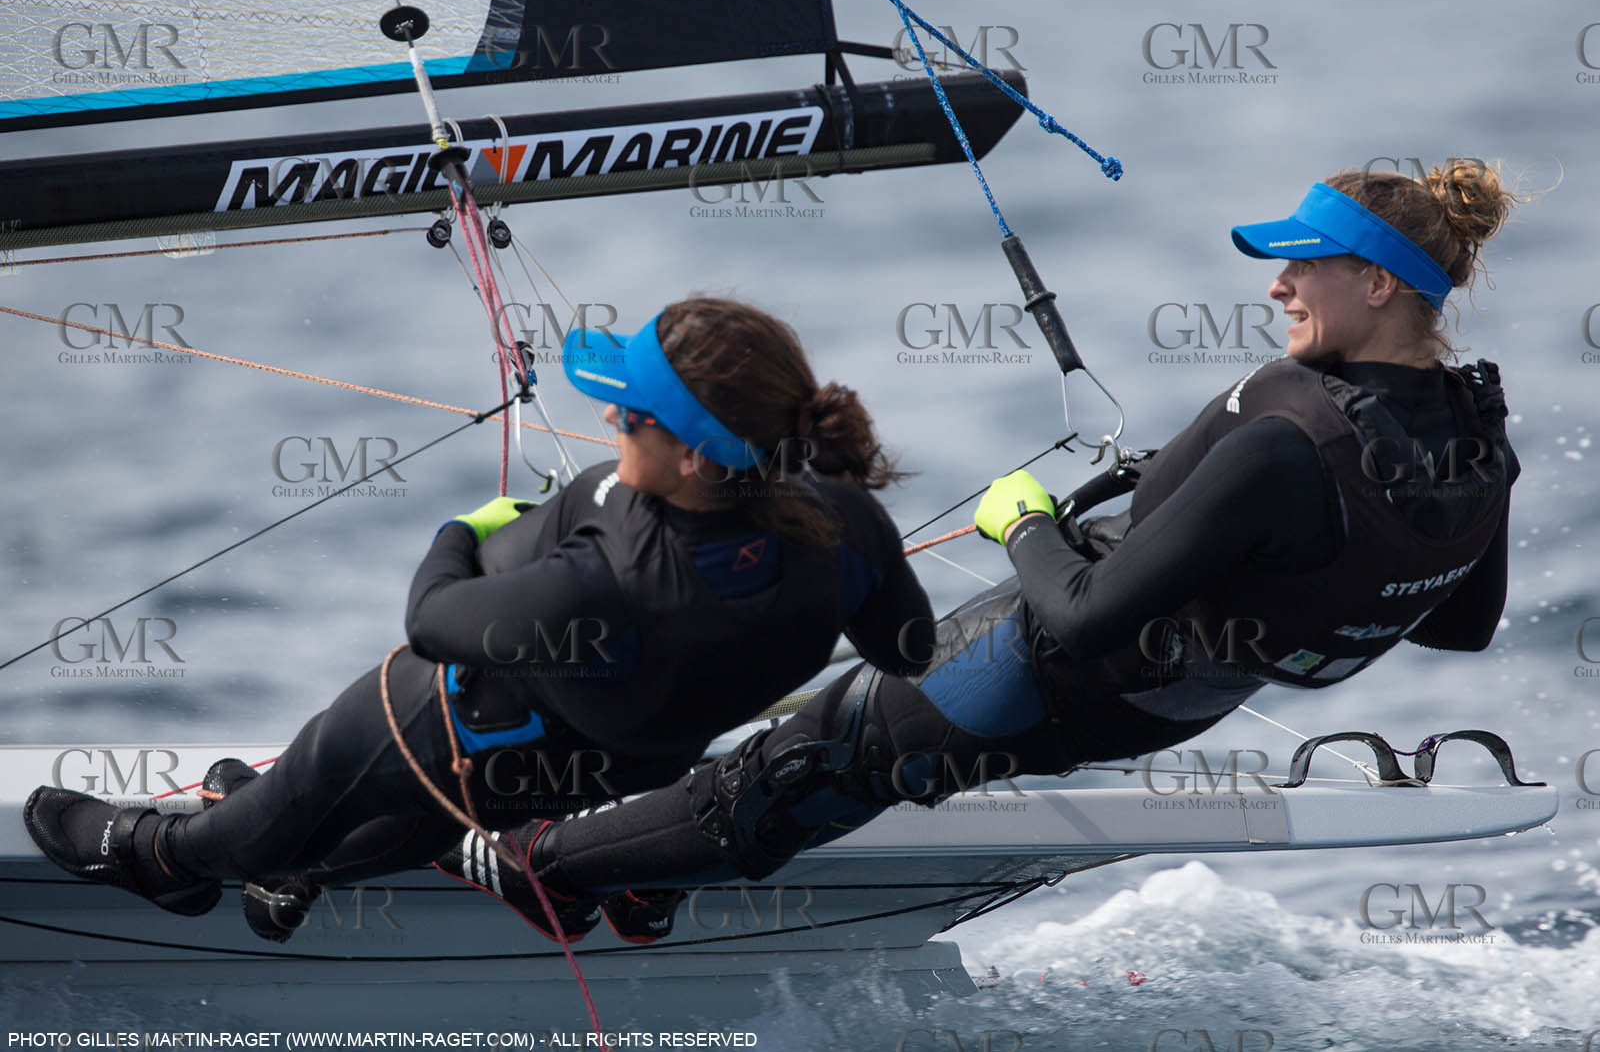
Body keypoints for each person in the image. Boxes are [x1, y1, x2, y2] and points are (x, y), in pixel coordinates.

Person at [470, 160, 1522, 942]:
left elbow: (1079, 612)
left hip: (1045, 666)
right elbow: (1463, 627)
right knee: (853, 762)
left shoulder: (1286, 448)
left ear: (1379, 283)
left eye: (1303, 264)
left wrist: (1020, 519)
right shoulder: (1472, 439)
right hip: (1158, 710)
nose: (1276, 286)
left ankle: (539, 866)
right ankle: (654, 879)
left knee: (799, 763)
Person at [23, 296, 934, 944]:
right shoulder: (841, 520)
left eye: (633, 411)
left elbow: (430, 619)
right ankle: (299, 870)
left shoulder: (608, 577)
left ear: (695, 456)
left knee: (291, 803)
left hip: (438, 719)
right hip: (597, 765)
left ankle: (155, 857)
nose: (611, 413)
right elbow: (909, 646)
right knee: (425, 825)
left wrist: (460, 528)